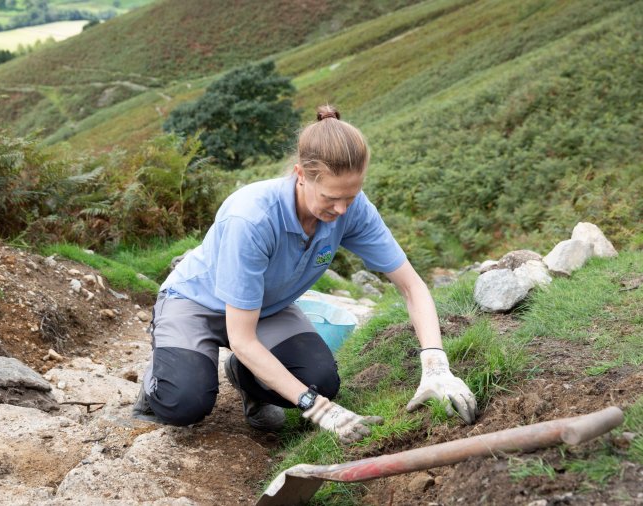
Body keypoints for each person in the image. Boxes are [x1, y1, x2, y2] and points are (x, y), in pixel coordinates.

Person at [133, 105, 477, 442]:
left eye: (351, 196)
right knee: (185, 402)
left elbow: (412, 286)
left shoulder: (351, 208)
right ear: (301, 175)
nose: (341, 209)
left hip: (266, 308)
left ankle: (244, 376)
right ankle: (160, 381)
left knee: (321, 381)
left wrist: (436, 366)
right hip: (197, 302)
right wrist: (318, 409)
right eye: (331, 197)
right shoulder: (252, 219)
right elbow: (242, 337)